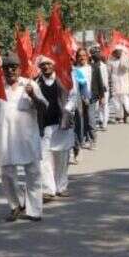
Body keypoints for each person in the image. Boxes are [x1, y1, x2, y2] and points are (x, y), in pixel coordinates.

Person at [0, 57, 47, 222]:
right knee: (7, 174)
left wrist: (33, 95)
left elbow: (43, 108)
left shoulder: (30, 84)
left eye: (13, 67)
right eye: (6, 67)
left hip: (28, 138)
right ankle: (16, 206)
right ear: (2, 70)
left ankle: (34, 210)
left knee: (33, 173)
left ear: (20, 69)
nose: (10, 70)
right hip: (6, 138)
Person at [35, 56, 77, 200]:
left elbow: (73, 96)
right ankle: (48, 189)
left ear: (53, 65)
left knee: (62, 157)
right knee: (44, 158)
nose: (46, 67)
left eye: (48, 64)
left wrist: (67, 110)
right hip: (44, 125)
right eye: (43, 65)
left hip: (62, 124)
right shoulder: (36, 82)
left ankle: (61, 187)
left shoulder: (65, 78)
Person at [109, 45, 129, 123]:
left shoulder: (127, 59)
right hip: (115, 83)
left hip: (125, 83)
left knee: (126, 101)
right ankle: (119, 116)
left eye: (120, 51)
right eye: (117, 51)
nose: (118, 53)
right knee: (116, 102)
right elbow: (108, 72)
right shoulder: (111, 60)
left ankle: (126, 115)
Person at [90, 49, 110, 130]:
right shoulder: (91, 66)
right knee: (96, 107)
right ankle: (100, 120)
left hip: (103, 89)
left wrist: (105, 88)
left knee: (104, 105)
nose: (96, 55)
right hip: (95, 89)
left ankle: (105, 123)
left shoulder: (103, 66)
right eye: (94, 54)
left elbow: (105, 78)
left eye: (97, 54)